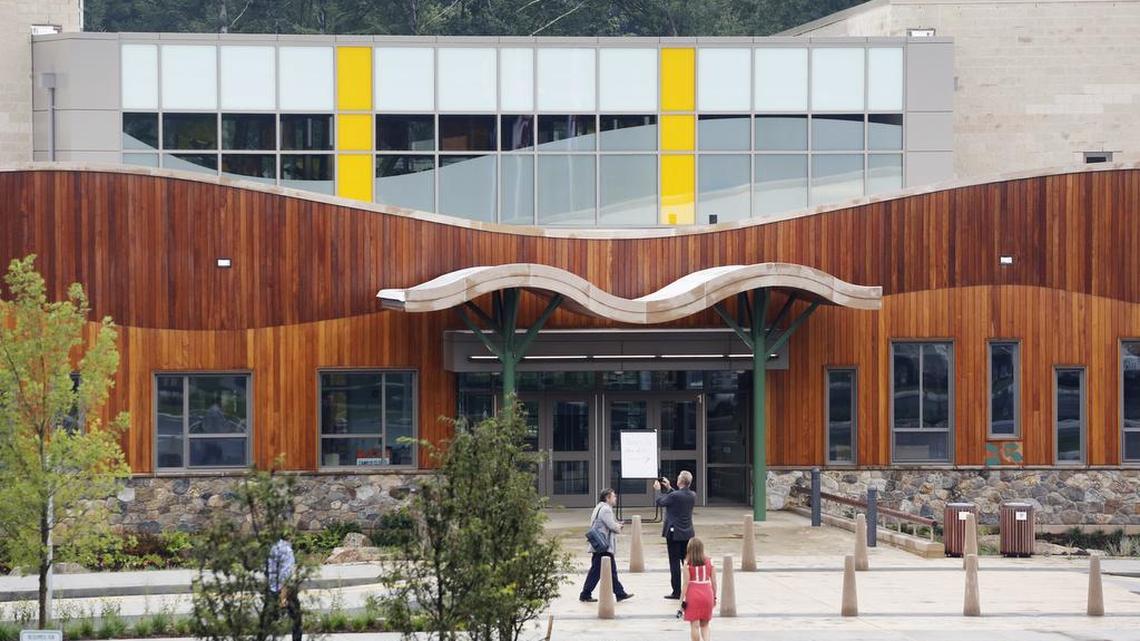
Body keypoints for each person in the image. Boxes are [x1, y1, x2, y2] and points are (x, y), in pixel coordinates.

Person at [579, 488, 634, 603]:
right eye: (614, 496)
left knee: (608, 571)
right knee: (597, 571)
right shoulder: (606, 510)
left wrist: (615, 524)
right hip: (604, 546)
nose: (615, 498)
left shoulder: (598, 507)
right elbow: (611, 526)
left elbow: (604, 524)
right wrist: (619, 526)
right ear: (607, 498)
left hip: (599, 545)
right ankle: (585, 594)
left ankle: (619, 593)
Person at [654, 470, 696, 600]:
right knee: (687, 562)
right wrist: (669, 488)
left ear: (680, 481)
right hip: (687, 533)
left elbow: (660, 501)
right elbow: (676, 496)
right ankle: (692, 588)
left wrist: (657, 490)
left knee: (674, 563)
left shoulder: (675, 496)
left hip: (674, 533)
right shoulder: (692, 495)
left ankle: (676, 591)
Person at [681, 537, 716, 641]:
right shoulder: (710, 561)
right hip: (707, 592)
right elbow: (714, 582)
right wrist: (714, 596)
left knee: (694, 625)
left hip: (693, 594)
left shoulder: (687, 563)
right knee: (705, 625)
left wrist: (681, 600)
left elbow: (685, 583)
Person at [268, 538, 302, 641]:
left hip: (272, 589)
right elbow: (285, 576)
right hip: (285, 590)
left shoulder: (273, 547)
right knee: (296, 620)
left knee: (271, 622)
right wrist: (283, 597)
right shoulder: (287, 550)